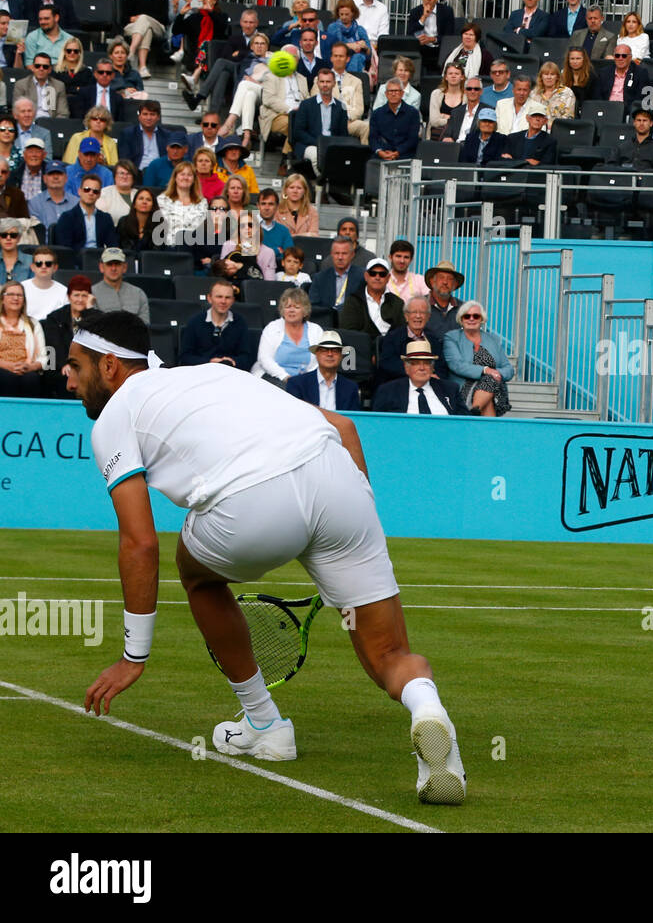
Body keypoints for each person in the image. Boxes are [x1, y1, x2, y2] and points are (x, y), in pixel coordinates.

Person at [70, 309, 465, 802]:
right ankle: (429, 714)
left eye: (76, 367)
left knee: (197, 576)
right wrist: (356, 525)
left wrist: (134, 656)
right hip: (337, 481)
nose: (68, 380)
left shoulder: (112, 418)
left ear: (109, 366)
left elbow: (139, 542)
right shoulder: (218, 373)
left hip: (252, 503)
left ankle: (265, 723)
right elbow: (343, 427)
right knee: (390, 655)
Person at [443, 299, 513, 416]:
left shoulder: (493, 339)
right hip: (464, 388)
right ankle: (477, 414)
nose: (471, 319)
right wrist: (485, 370)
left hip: (495, 388)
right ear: (461, 319)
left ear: (482, 319)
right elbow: (456, 364)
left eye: (476, 316)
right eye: (467, 316)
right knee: (488, 396)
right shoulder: (452, 337)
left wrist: (495, 373)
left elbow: (508, 368)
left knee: (489, 380)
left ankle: (473, 411)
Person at [371, 337, 468, 414]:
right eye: (416, 363)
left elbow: (466, 421)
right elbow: (377, 423)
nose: (422, 368)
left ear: (432, 368)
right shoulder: (388, 391)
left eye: (426, 363)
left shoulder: (450, 389)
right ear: (406, 368)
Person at [177, 278, 252, 369]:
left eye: (227, 297)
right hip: (201, 372)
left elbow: (247, 357)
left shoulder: (240, 322)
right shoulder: (195, 322)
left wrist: (233, 361)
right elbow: (185, 357)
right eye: (219, 297)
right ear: (209, 298)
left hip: (230, 372)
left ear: (233, 300)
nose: (223, 301)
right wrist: (209, 362)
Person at [286, 329, 361, 410]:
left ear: (341, 356)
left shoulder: (350, 387)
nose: (330, 354)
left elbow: (354, 419)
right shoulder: (297, 384)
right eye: (324, 350)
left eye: (335, 351)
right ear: (316, 354)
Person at [0, 279, 45, 397]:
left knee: (31, 379)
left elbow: (43, 358)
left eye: (19, 295)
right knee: (7, 378)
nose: (15, 298)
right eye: (10, 294)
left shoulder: (33, 324)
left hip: (26, 369)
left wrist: (30, 367)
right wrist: (7, 365)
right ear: (2, 299)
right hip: (2, 367)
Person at [52, 173, 116, 251]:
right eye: (87, 189)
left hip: (100, 259)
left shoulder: (106, 218)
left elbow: (113, 246)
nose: (91, 193)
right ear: (79, 191)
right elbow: (64, 250)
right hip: (75, 261)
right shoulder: (67, 218)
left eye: (95, 191)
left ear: (99, 195)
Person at [91, 247, 149, 323]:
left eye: (117, 264)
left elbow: (145, 327)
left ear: (124, 267)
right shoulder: (92, 293)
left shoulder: (138, 294)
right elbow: (92, 326)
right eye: (109, 264)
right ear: (101, 267)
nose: (113, 268)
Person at [21, 245, 66, 320]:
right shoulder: (21, 288)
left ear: (55, 268)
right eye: (39, 263)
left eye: (48, 264)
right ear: (32, 267)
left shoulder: (64, 292)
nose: (43, 266)